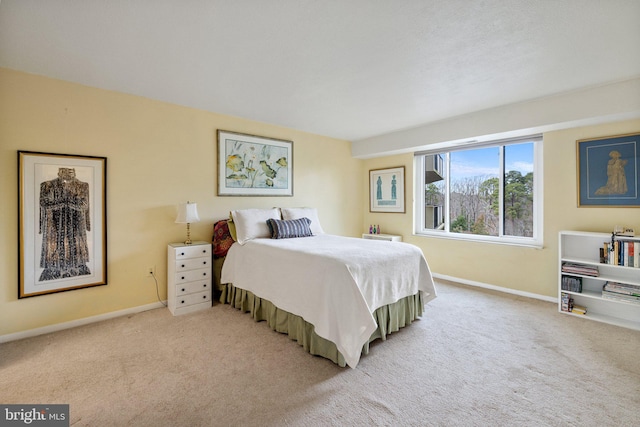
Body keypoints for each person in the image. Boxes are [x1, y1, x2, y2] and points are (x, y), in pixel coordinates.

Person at [39, 167, 91, 281]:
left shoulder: (82, 186)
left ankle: (75, 267)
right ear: (59, 172)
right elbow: (44, 203)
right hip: (54, 224)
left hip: (76, 224)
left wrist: (66, 201)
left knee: (75, 247)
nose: (67, 174)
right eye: (64, 172)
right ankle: (55, 268)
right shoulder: (47, 185)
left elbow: (84, 205)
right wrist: (65, 201)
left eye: (70, 172)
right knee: (55, 248)